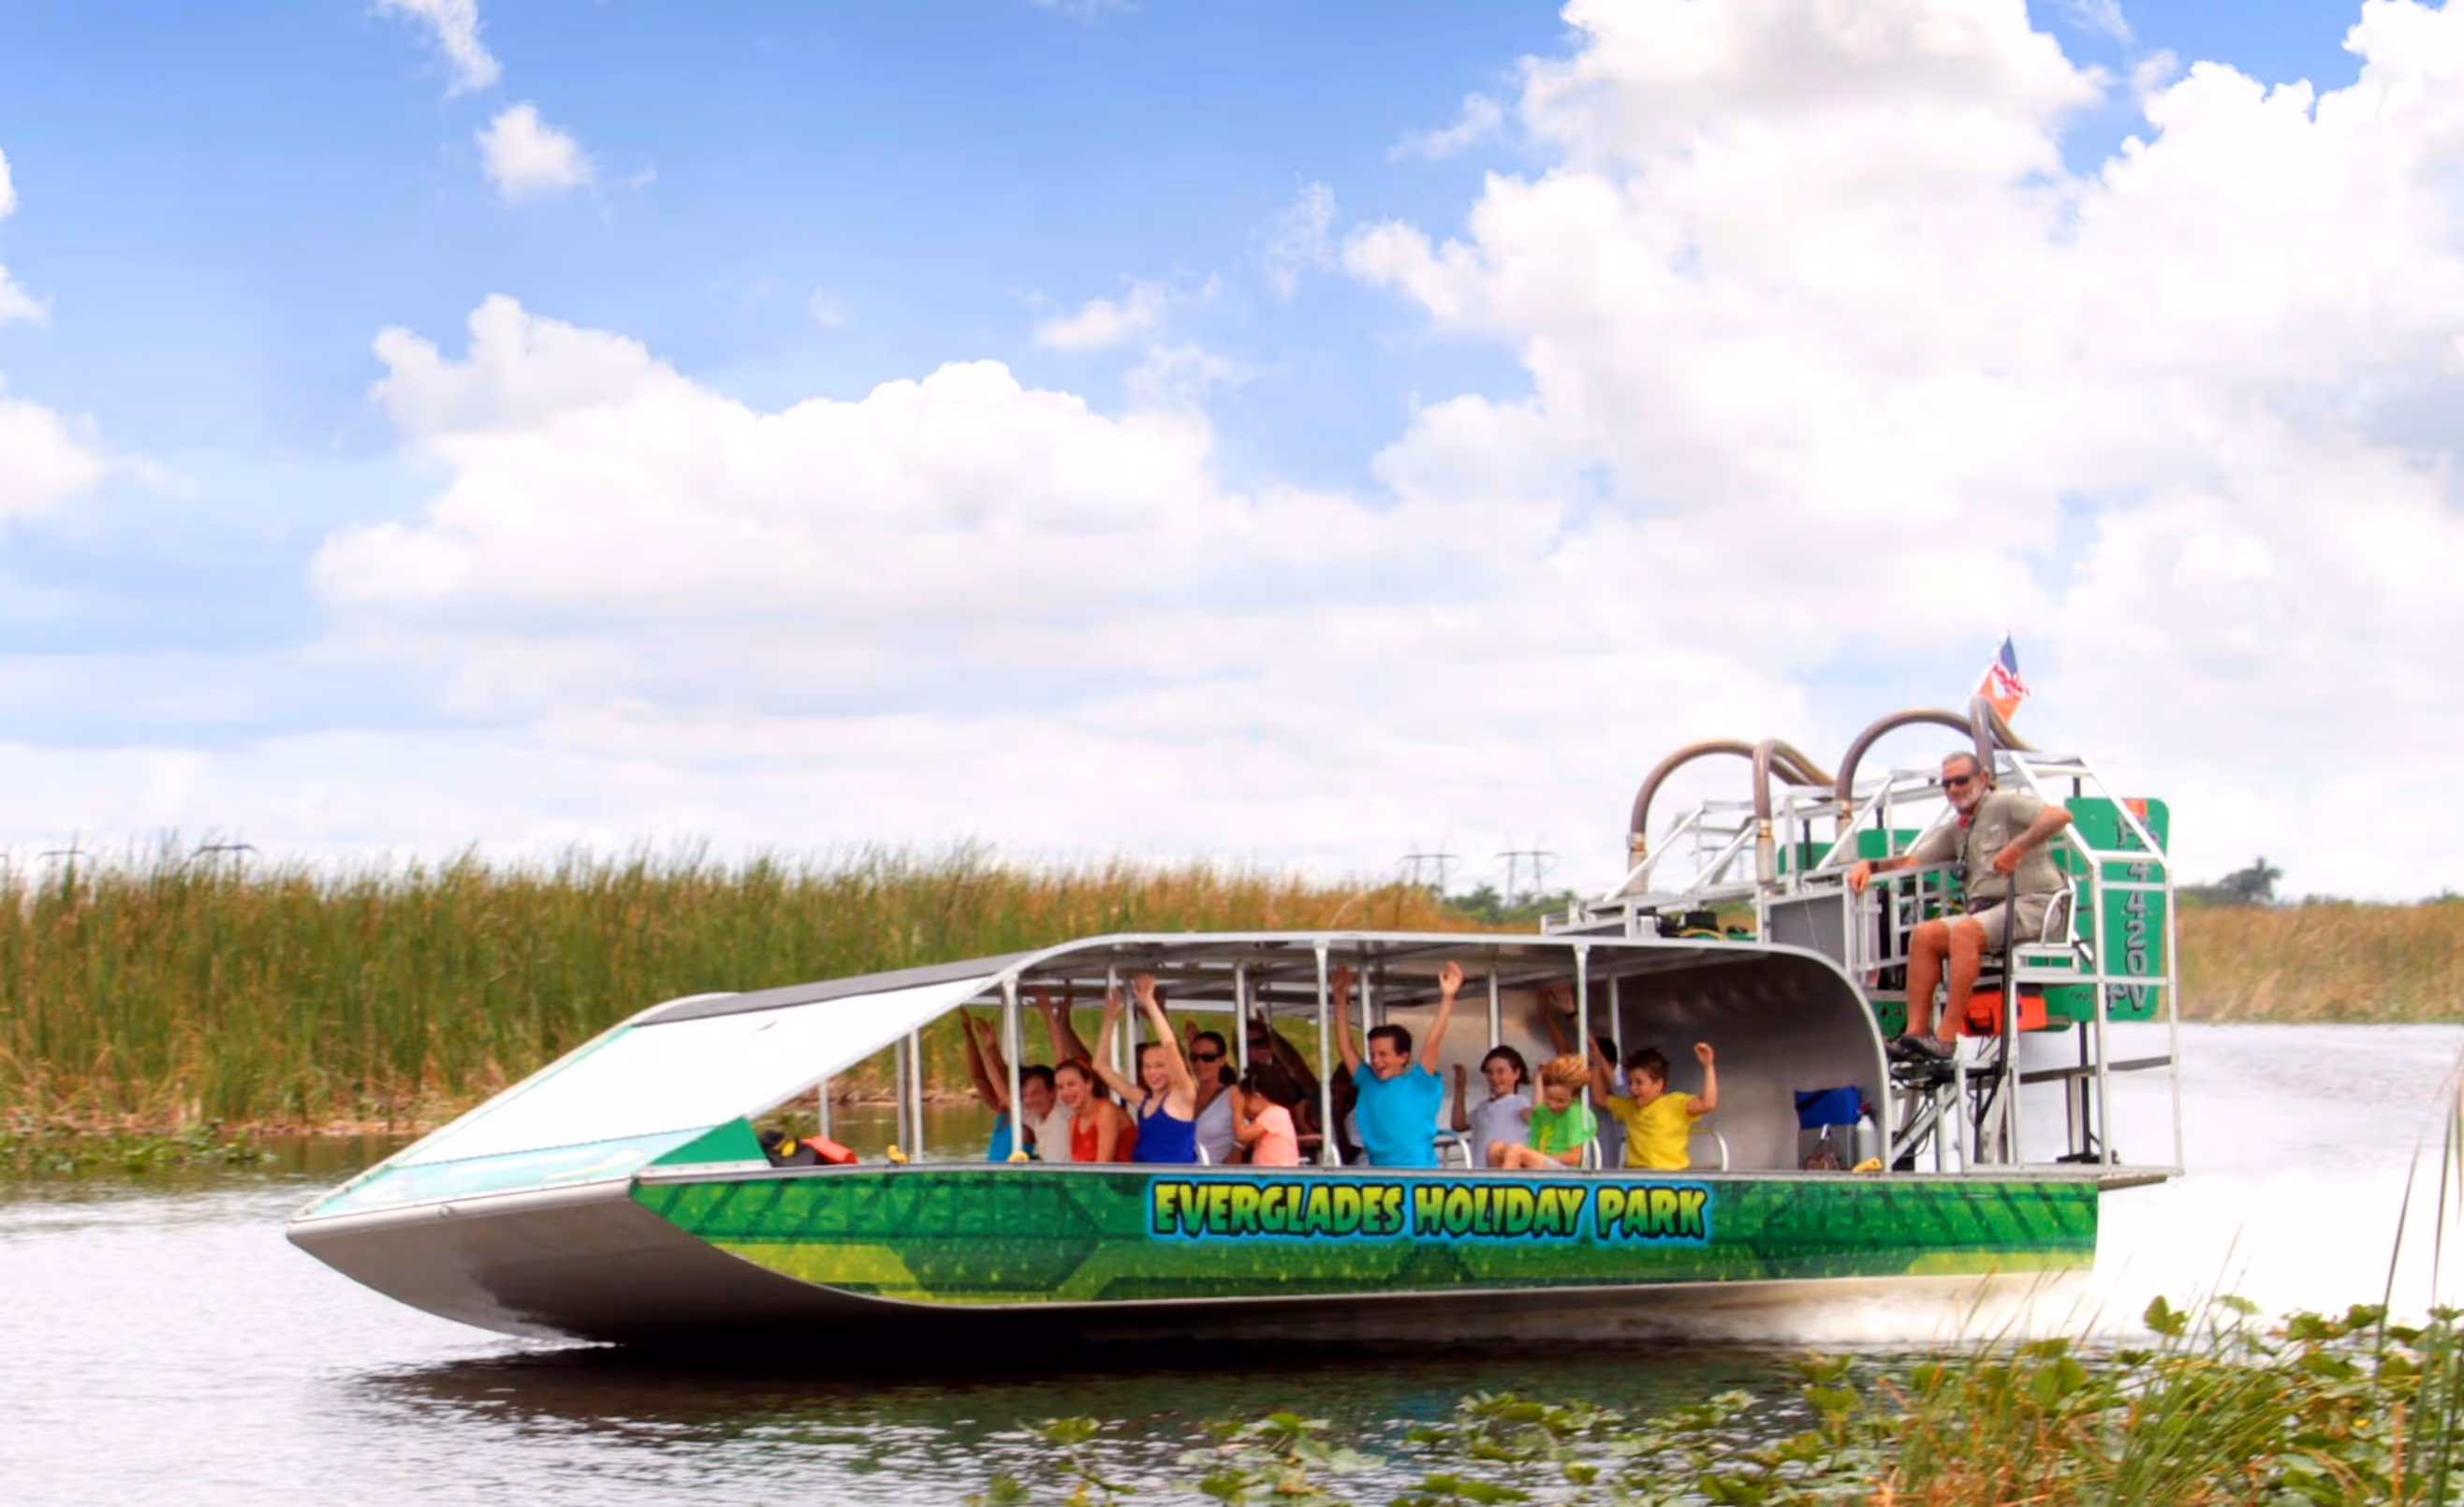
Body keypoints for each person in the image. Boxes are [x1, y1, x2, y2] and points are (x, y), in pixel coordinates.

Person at [1847, 751, 2076, 1061]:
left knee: (1966, 932)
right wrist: (1870, 866)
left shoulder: (2005, 803)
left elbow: (2059, 816)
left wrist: (2017, 847)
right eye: (1947, 784)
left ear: (1982, 778)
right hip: (1987, 912)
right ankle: (1914, 1036)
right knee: (1925, 934)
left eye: (1961, 780)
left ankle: (1946, 1039)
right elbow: (1914, 861)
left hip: (2033, 905)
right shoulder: (1960, 828)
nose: (1953, 789)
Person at [1334, 958, 1462, 1169]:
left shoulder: (1419, 1082)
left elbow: (1432, 1043)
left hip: (1419, 1174)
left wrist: (1447, 998)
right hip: (1380, 1175)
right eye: (1372, 1054)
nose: (1376, 1061)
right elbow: (1345, 1046)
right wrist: (1340, 1001)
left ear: (1403, 1056)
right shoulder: (1368, 1081)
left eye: (1383, 1054)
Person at [1090, 973, 1201, 1164]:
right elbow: (1099, 1066)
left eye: (1160, 1066)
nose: (1153, 1072)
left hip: (1173, 1186)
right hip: (1145, 1181)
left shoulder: (1183, 1094)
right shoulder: (1144, 1100)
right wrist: (1110, 1019)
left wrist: (1149, 1003)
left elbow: (1170, 1045)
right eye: (1147, 1066)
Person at [960, 1011, 1068, 1160]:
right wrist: (984, 1046)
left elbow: (1061, 1059)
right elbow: (987, 1082)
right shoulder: (1029, 1116)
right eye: (1025, 1094)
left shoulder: (1052, 1112)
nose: (1028, 1099)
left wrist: (1046, 1008)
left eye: (1034, 1093)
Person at [1594, 1044, 1718, 1171]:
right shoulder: (1629, 1105)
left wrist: (1708, 1066)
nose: (1632, 1088)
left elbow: (1708, 1103)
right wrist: (1595, 1067)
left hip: (1672, 1178)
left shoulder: (1676, 1103)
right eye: (1630, 1083)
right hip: (1635, 1176)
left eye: (1639, 1082)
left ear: (1658, 1084)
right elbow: (1600, 1099)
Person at [1489, 1053, 1595, 1170]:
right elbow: (1533, 1147)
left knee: (1516, 1150)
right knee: (1495, 1148)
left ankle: (1507, 1185)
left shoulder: (1576, 1114)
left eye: (1560, 1101)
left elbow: (1576, 1157)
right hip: (1540, 1163)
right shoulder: (1541, 1112)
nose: (1553, 1105)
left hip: (1567, 1171)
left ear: (1574, 1097)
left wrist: (1534, 1157)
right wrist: (1529, 1158)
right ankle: (1495, 1187)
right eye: (1548, 1098)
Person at [1451, 1046, 1531, 1169]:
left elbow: (1540, 1119)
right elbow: (1458, 1123)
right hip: (1479, 1174)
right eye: (1489, 1072)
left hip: (1508, 1174)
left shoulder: (1521, 1103)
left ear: (1516, 1073)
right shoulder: (1483, 1107)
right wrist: (1460, 1086)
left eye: (1500, 1071)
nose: (1494, 1078)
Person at [1056, 1059, 1137, 1163]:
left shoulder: (1106, 1112)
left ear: (1089, 1084)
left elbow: (1103, 1166)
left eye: (1071, 1084)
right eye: (1060, 1087)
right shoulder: (1073, 1121)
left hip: (1123, 1178)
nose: (1066, 1092)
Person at [1185, 1026, 1239, 1164]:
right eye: (1194, 1058)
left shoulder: (1232, 1095)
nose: (1200, 1063)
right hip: (1179, 1177)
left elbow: (1249, 1136)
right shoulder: (1186, 1097)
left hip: (1213, 1180)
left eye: (1208, 1058)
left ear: (1222, 1060)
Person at [1228, 1067, 1302, 1167]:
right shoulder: (1273, 1114)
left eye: (1246, 1099)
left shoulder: (1274, 1114)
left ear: (1257, 1097)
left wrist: (1237, 1108)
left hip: (1279, 1173)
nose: (1244, 1105)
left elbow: (1242, 1136)